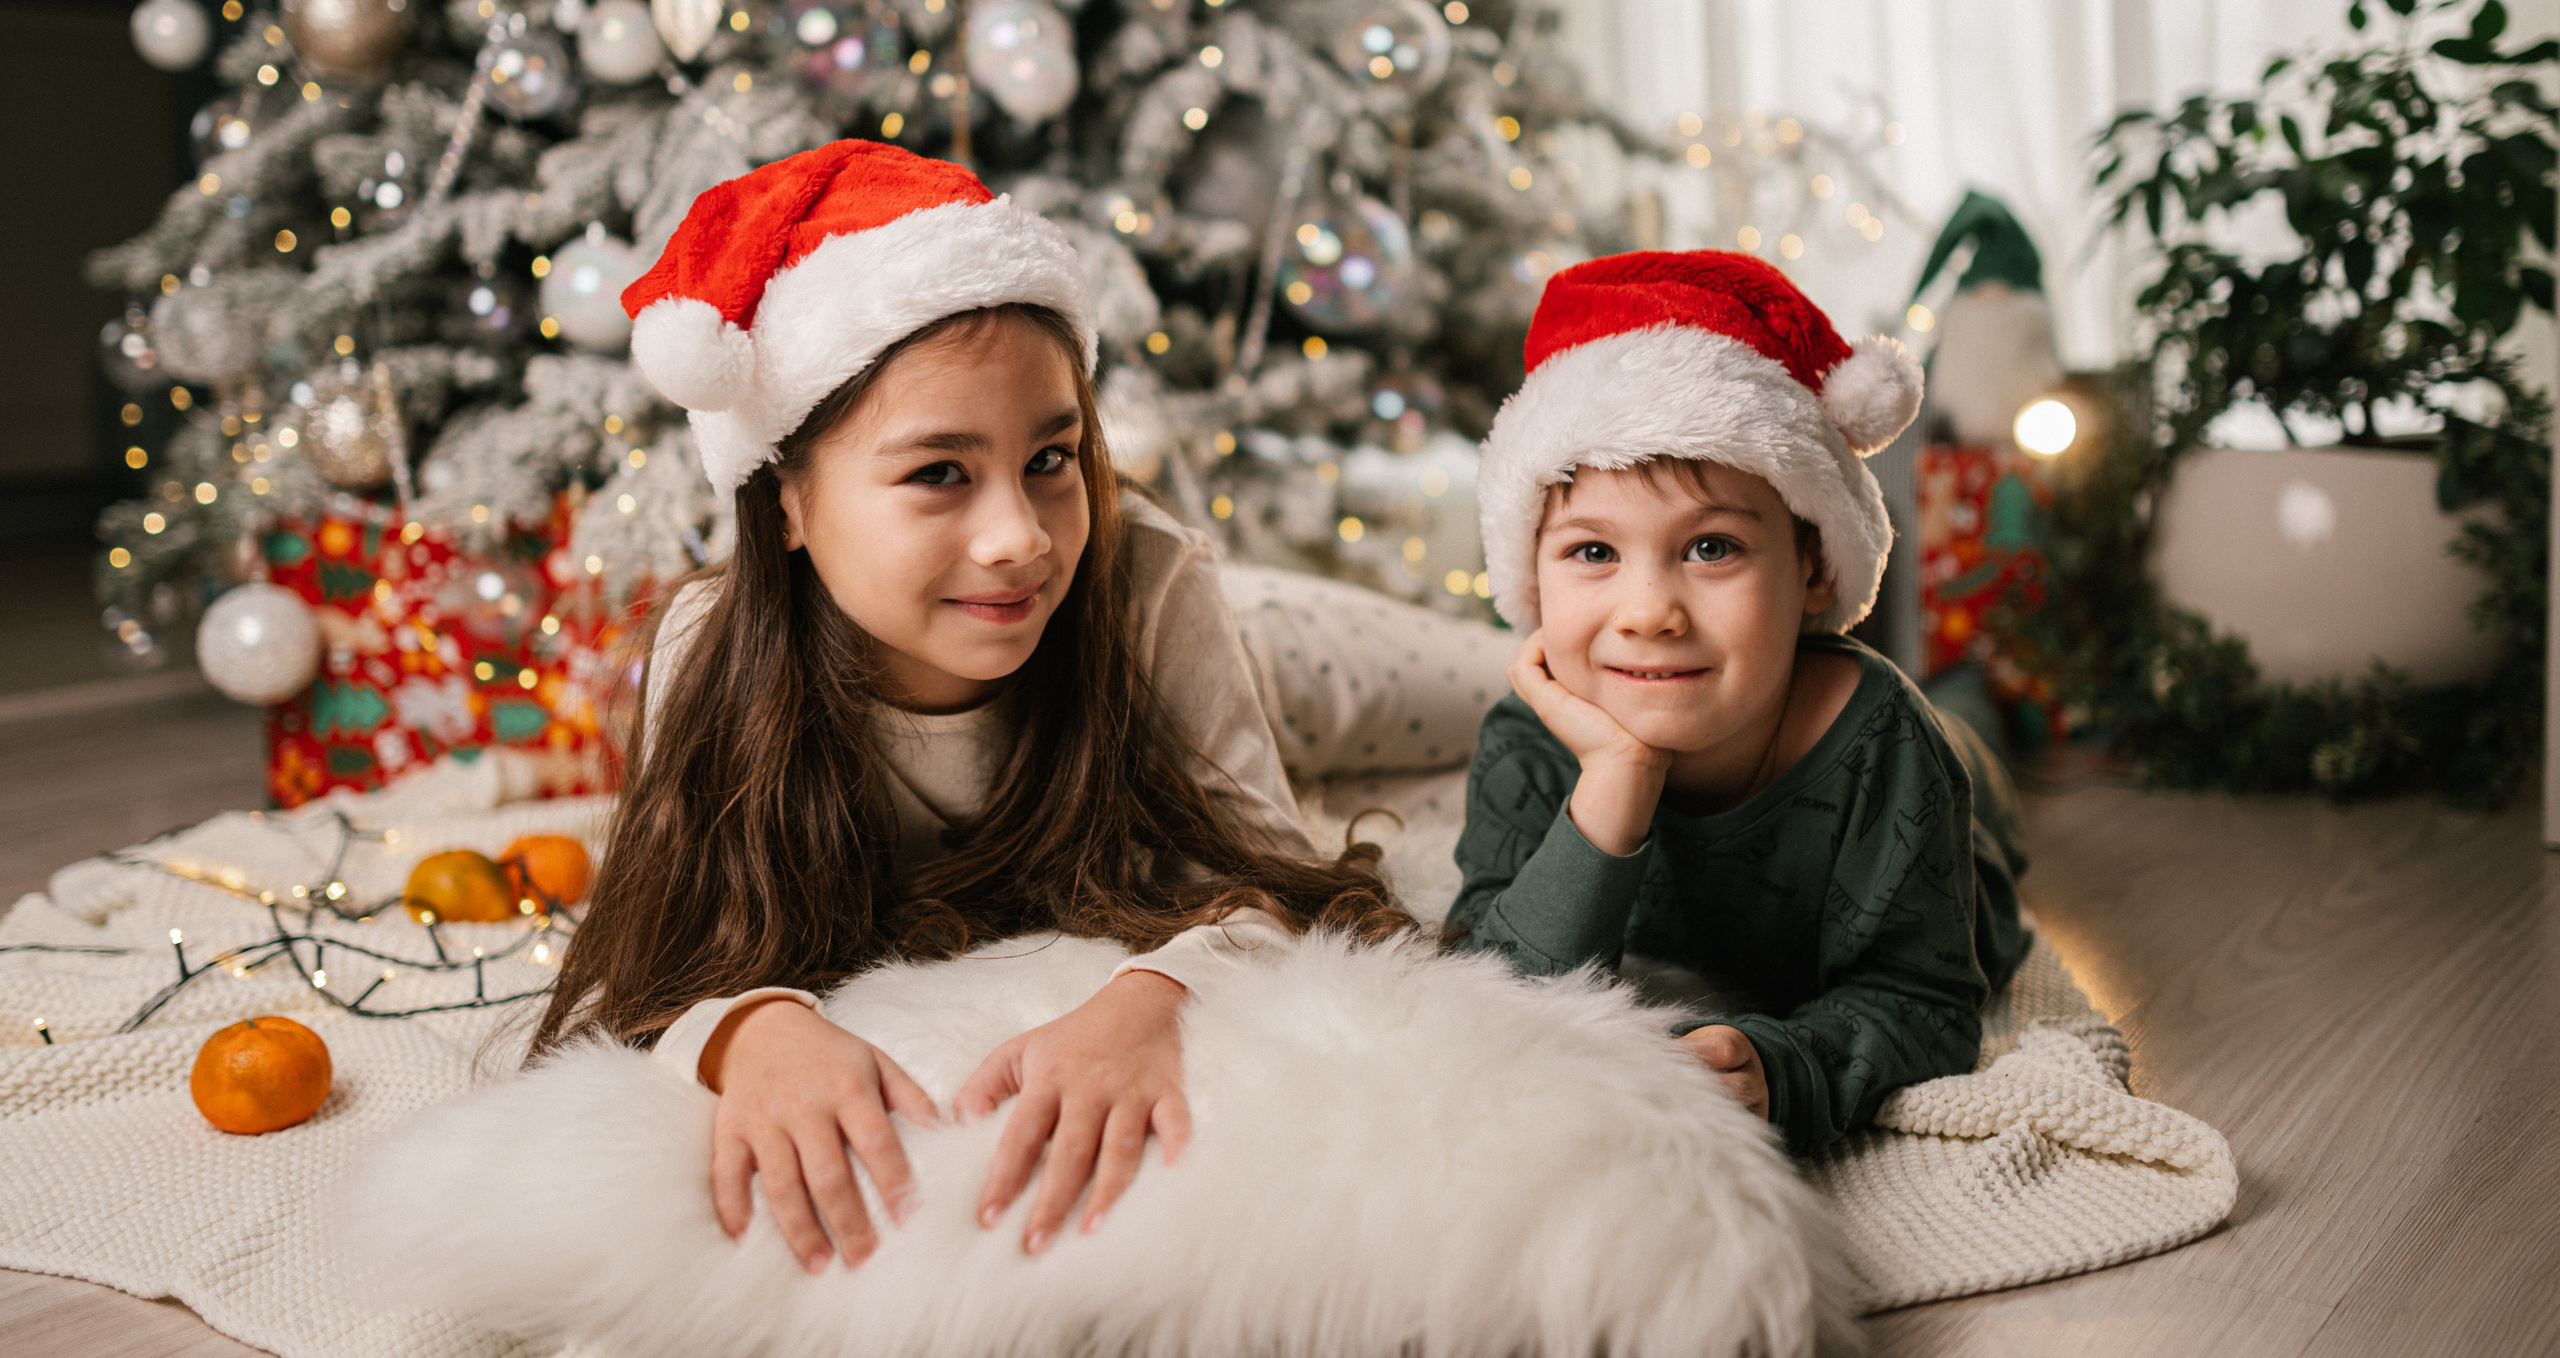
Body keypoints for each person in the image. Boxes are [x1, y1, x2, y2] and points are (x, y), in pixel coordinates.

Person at [529, 140, 1405, 1273]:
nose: (1019, 537)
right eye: (939, 472)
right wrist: (751, 1029)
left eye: (1050, 458)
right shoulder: (715, 648)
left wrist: (1152, 998)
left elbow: (1280, 876)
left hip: (1272, 649)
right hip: (1141, 630)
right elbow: (650, 961)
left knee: (1487, 678)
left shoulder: (1147, 577)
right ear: (785, 498)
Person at [1444, 250, 2031, 1158]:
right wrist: (1617, 778)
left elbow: (1924, 1000)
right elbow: (1492, 996)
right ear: (1530, 572)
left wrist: (1786, 1065)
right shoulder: (1527, 741)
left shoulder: (1883, 744)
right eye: (1594, 552)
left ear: (1813, 567)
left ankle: (1973, 700)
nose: (1649, 613)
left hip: (1958, 810)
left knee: (1972, 737)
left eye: (1711, 547)